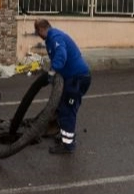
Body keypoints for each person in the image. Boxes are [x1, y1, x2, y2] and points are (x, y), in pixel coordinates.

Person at [34, 18, 91, 154]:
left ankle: (68, 145)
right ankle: (65, 136)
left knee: (67, 110)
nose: (37, 34)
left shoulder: (55, 37)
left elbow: (61, 55)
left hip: (77, 79)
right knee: (62, 107)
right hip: (73, 78)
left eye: (37, 31)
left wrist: (53, 71)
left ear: (42, 29)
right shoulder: (52, 38)